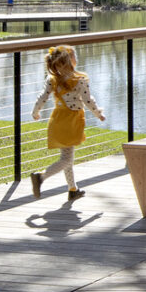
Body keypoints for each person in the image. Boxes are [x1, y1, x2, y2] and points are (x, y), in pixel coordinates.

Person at [31, 45, 104, 200]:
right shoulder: (80, 80)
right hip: (71, 121)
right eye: (75, 56)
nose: (77, 59)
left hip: (57, 119)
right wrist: (98, 113)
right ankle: (41, 177)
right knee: (66, 159)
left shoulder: (52, 80)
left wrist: (35, 111)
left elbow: (42, 97)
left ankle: (72, 189)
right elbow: (88, 101)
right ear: (70, 61)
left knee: (67, 155)